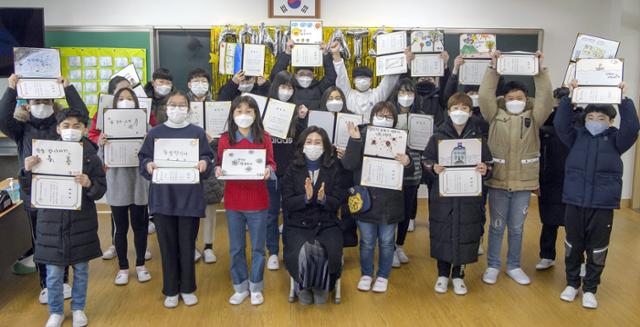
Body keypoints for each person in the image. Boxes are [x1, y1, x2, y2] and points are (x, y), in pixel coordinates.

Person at [0, 73, 87, 303]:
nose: (41, 106)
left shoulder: (61, 126)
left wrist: (68, 89)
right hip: (34, 194)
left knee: (63, 237)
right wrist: (10, 90)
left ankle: (64, 281)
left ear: (53, 103)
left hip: (63, 192)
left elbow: (82, 116)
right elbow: (2, 119)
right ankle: (45, 285)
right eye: (36, 102)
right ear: (27, 106)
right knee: (41, 241)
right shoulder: (21, 129)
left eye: (46, 102)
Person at [555, 81, 639, 309]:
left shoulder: (616, 140)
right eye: (591, 117)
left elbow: (632, 127)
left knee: (598, 248)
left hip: (602, 205)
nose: (595, 121)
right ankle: (572, 284)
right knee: (572, 245)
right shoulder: (576, 137)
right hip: (574, 201)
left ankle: (590, 288)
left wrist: (623, 98)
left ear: (610, 121)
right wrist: (569, 97)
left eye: (601, 118)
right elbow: (560, 124)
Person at [20, 108, 106, 327]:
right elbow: (29, 189)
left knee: (81, 271)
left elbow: (100, 190)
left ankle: (78, 308)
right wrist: (26, 171)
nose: (71, 130)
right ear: (58, 128)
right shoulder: (45, 153)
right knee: (54, 273)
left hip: (81, 222)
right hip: (51, 222)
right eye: (66, 126)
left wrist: (89, 184)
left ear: (85, 129)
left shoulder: (92, 157)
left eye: (77, 126)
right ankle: (56, 311)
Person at [478, 50, 552, 286]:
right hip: (498, 181)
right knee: (497, 226)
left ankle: (513, 265)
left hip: (523, 183)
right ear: (504, 99)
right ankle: (492, 265)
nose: (515, 101)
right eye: (510, 97)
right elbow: (485, 94)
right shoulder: (494, 114)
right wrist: (493, 69)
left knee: (517, 229)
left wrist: (540, 70)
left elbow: (546, 96)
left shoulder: (535, 115)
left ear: (526, 98)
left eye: (519, 97)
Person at [138, 90, 214, 308]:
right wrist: (148, 165)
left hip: (189, 198)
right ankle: (171, 289)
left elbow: (207, 157)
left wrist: (204, 163)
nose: (177, 108)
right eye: (173, 104)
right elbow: (143, 159)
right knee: (167, 246)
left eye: (182, 105)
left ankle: (188, 288)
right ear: (166, 108)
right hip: (163, 198)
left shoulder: (197, 133)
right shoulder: (155, 133)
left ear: (188, 109)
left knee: (187, 244)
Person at [422, 92, 492, 295]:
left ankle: (459, 275)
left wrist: (484, 169)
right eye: (455, 108)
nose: (459, 112)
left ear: (470, 113)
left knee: (465, 234)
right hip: (444, 197)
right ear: (448, 111)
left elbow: (489, 164)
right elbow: (426, 160)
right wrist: (432, 167)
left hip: (469, 197)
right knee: (442, 233)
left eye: (464, 109)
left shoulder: (478, 138)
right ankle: (442, 274)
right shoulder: (438, 136)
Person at [341, 101, 413, 293]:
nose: (384, 119)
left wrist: (407, 163)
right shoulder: (360, 135)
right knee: (366, 241)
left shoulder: (400, 138)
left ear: (395, 120)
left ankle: (383, 275)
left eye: (389, 117)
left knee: (388, 241)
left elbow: (408, 173)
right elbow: (348, 164)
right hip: (366, 200)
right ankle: (366, 273)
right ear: (372, 117)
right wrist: (355, 140)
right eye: (380, 115)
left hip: (391, 202)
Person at [215, 96, 276, 306]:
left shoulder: (264, 138)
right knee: (236, 248)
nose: (244, 115)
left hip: (258, 200)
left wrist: (269, 170)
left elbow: (272, 163)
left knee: (259, 247)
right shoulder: (225, 139)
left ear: (256, 114)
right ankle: (240, 285)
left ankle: (256, 285)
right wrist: (217, 169)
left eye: (249, 111)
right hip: (233, 201)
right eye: (239, 111)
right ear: (232, 114)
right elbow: (219, 164)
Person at [282, 126, 346, 305]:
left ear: (325, 147)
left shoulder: (333, 169)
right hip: (298, 224)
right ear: (302, 146)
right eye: (309, 142)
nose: (313, 145)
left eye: (318, 142)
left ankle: (323, 286)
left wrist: (324, 199)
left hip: (327, 222)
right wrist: (306, 198)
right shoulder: (292, 169)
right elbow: (287, 202)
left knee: (329, 247)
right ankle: (302, 285)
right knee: (302, 248)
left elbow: (338, 200)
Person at [97, 88, 152, 285]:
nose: (125, 101)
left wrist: (148, 142)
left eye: (130, 98)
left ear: (137, 103)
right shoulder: (107, 126)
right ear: (114, 102)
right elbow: (100, 160)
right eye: (121, 98)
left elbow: (152, 156)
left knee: (140, 226)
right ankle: (122, 267)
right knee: (120, 228)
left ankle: (140, 264)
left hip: (139, 182)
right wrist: (101, 144)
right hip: (117, 182)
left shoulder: (145, 126)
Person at [265, 71, 308, 271]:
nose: (286, 91)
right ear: (275, 88)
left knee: (292, 213)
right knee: (271, 215)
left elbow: (304, 143)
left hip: (291, 174)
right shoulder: (265, 111)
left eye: (290, 87)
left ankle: (291, 249)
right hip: (271, 173)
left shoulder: (297, 114)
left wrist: (303, 119)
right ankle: (273, 252)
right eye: (283, 86)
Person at [536, 87, 576, 270]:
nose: (561, 103)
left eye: (565, 99)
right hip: (549, 175)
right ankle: (546, 255)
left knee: (574, 224)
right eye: (559, 99)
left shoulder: (581, 120)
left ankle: (576, 259)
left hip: (573, 178)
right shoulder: (545, 120)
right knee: (549, 220)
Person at [388, 78, 423, 265]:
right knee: (393, 210)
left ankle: (400, 246)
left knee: (406, 211)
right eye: (402, 93)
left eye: (410, 93)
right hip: (393, 170)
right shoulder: (389, 114)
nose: (406, 97)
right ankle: (390, 248)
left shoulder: (422, 117)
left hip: (413, 171)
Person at [331, 42, 406, 121]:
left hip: (371, 130)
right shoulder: (348, 94)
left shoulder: (377, 94)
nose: (362, 80)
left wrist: (401, 57)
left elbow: (389, 80)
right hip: (350, 130)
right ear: (353, 80)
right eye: (359, 78)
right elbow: (341, 75)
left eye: (365, 78)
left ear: (371, 81)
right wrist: (336, 54)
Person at [270, 40, 337, 110]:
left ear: (313, 76)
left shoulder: (319, 87)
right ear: (296, 75)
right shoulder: (290, 87)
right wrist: (287, 53)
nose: (305, 77)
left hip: (314, 120)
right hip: (294, 120)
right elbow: (276, 76)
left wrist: (326, 54)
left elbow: (331, 77)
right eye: (301, 74)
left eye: (309, 74)